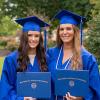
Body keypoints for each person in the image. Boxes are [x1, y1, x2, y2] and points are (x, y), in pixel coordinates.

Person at [47, 10, 100, 100]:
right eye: (61, 29)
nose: (64, 32)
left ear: (75, 31)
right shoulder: (50, 53)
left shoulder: (87, 58)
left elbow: (94, 88)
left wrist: (81, 97)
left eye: (68, 28)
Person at [0, 16, 50, 100]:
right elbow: (6, 88)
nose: (33, 39)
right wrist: (22, 98)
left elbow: (49, 87)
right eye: (29, 35)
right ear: (24, 37)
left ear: (40, 38)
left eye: (36, 36)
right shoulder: (11, 60)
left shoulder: (45, 58)